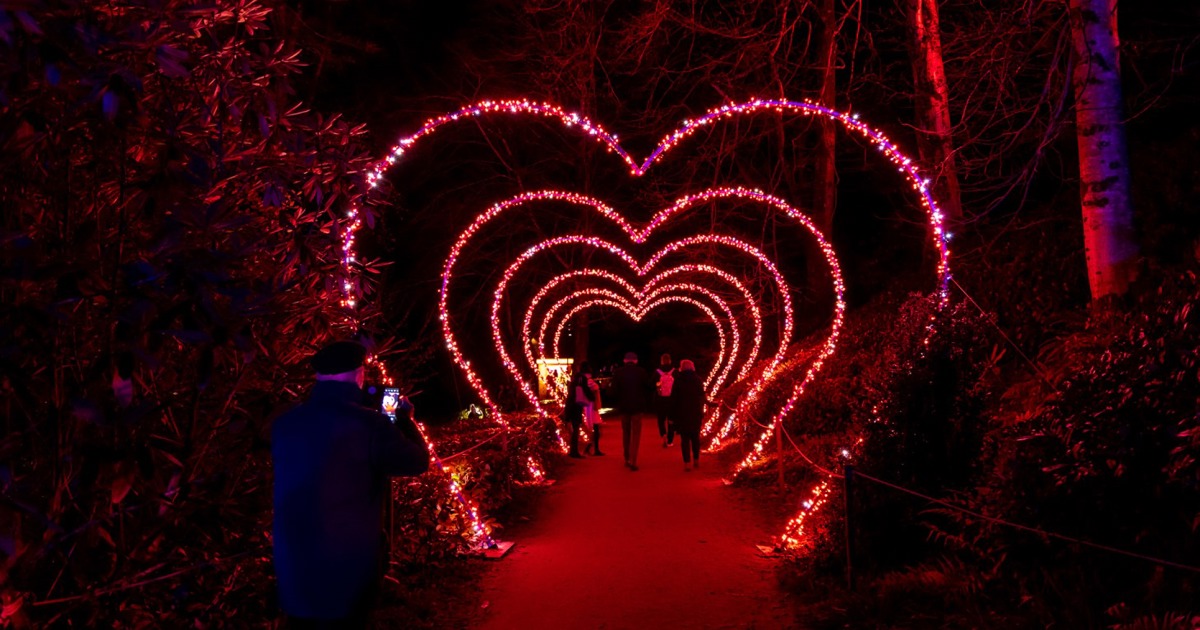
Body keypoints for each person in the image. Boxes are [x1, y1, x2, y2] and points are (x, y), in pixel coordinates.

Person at [271, 340, 430, 628]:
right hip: (349, 566)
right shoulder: (370, 425)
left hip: (293, 563)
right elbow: (417, 461)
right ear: (359, 374)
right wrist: (405, 419)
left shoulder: (284, 424)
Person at [612, 351, 651, 471]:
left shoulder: (618, 372)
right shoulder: (641, 372)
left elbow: (614, 390)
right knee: (636, 434)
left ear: (624, 361)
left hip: (624, 407)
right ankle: (634, 460)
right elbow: (648, 387)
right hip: (638, 407)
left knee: (626, 433)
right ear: (636, 361)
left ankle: (626, 458)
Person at [670, 359, 706, 471]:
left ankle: (687, 463)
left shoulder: (678, 380)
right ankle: (696, 460)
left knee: (684, 439)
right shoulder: (698, 379)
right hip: (695, 412)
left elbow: (673, 399)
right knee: (695, 437)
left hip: (682, 413)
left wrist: (672, 416)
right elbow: (702, 396)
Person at [576, 363, 605, 456]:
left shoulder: (580, 380)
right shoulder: (590, 382)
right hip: (591, 407)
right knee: (595, 428)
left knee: (590, 428)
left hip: (584, 406)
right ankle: (594, 449)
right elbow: (594, 391)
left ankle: (589, 448)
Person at [564, 363, 591, 458]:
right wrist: (591, 397)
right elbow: (585, 389)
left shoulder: (575, 379)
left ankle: (573, 451)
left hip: (571, 405)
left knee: (574, 429)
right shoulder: (582, 378)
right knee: (576, 429)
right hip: (576, 406)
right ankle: (574, 452)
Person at [654, 353, 676, 448]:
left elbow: (652, 384)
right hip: (672, 400)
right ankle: (670, 440)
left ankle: (663, 435)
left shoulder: (657, 372)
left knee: (661, 420)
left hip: (660, 400)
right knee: (671, 420)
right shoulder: (674, 371)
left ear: (661, 361)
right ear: (670, 360)